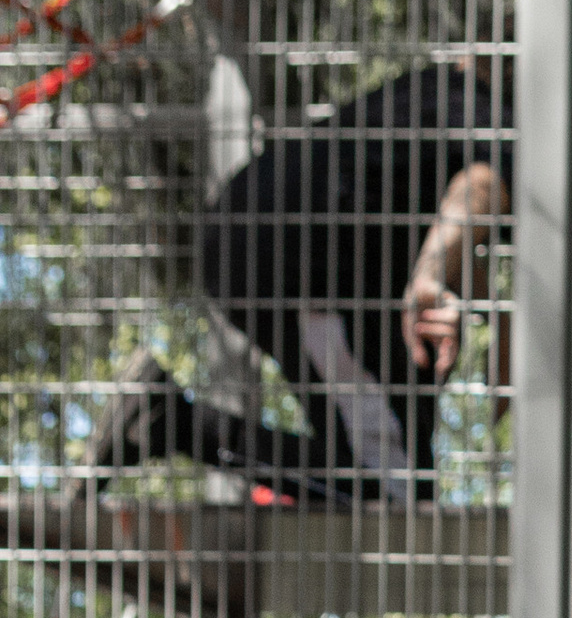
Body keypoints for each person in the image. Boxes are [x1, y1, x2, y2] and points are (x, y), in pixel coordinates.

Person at [100, 51, 510, 507]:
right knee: (396, 496)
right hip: (312, 265)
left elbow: (460, 231)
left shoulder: (430, 89)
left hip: (259, 232)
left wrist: (504, 338)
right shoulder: (499, 117)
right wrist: (430, 277)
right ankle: (169, 420)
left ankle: (170, 421)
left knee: (367, 462)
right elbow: (480, 186)